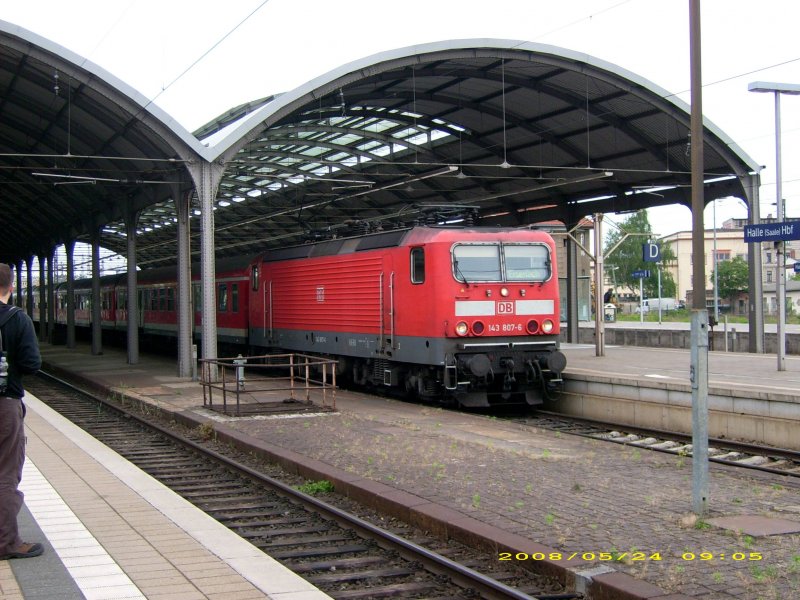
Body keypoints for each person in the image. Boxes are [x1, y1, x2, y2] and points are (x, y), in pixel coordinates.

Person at [0, 263, 42, 560]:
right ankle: (6, 543)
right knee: (4, 474)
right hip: (4, 403)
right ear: (11, 287)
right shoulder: (17, 319)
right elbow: (31, 364)